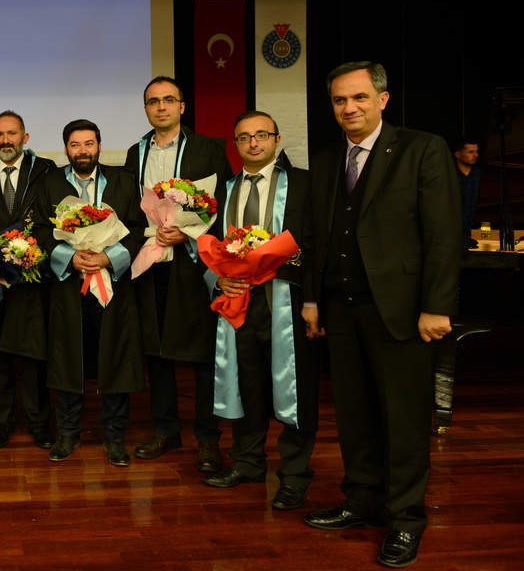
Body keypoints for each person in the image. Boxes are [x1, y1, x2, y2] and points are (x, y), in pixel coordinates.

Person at [301, 62, 460, 568]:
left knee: (404, 420)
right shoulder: (327, 160)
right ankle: (362, 500)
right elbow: (316, 238)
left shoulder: (422, 148)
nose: (349, 108)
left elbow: (443, 233)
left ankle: (407, 518)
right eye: (340, 100)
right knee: (355, 416)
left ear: (383, 99)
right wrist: (312, 300)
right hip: (341, 310)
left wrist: (437, 306)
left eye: (360, 98)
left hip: (403, 312)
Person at [202, 111, 320, 511]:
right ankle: (248, 462)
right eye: (244, 137)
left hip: (286, 303)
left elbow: (315, 244)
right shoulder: (224, 190)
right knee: (246, 384)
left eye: (261, 135)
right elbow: (208, 245)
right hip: (239, 305)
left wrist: (312, 301)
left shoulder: (303, 184)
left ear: (276, 139)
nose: (253, 143)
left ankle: (294, 476)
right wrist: (217, 280)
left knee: (295, 390)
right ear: (235, 144)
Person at [125, 76, 232, 472]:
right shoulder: (135, 153)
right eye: (153, 101)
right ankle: (166, 430)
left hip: (193, 263)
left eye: (168, 100)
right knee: (156, 352)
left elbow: (222, 204)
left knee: (202, 354)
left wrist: (187, 232)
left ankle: (208, 438)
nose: (161, 107)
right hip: (150, 262)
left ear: (182, 106)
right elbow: (129, 208)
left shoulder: (208, 148)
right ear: (146, 109)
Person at [31, 120, 145, 465]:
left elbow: (137, 228)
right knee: (69, 357)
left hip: (113, 287)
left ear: (99, 146)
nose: (83, 151)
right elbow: (40, 229)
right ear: (66, 149)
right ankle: (68, 433)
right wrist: (70, 256)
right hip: (70, 286)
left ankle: (115, 436)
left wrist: (109, 257)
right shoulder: (49, 183)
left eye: (89, 144)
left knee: (116, 357)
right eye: (75, 145)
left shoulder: (123, 181)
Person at [0, 111, 56, 449]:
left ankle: (38, 422)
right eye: (0, 135)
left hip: (31, 280)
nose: (6, 140)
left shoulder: (45, 171)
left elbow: (53, 218)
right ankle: (1, 422)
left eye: (12, 133)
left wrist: (32, 254)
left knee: (34, 355)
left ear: (24, 138)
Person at [453, 140, 481, 240]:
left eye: (476, 151)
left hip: (475, 227)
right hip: (453, 227)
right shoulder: (450, 174)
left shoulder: (479, 174)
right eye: (470, 152)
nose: (475, 155)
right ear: (458, 154)